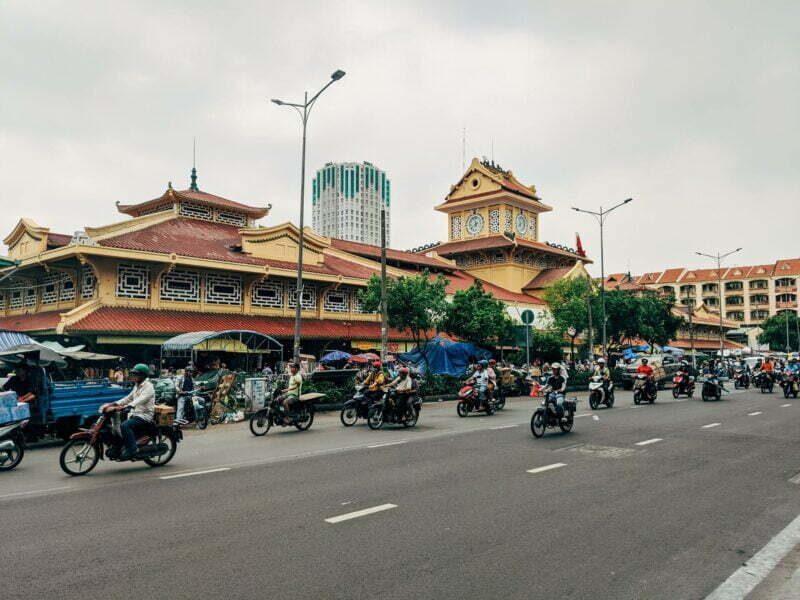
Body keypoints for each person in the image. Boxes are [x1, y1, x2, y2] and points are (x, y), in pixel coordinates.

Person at [101, 363, 154, 460]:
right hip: (135, 413)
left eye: (136, 374)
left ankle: (132, 450)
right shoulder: (137, 386)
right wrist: (114, 404)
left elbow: (141, 399)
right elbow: (128, 398)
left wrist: (129, 406)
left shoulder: (148, 387)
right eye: (134, 374)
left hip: (144, 415)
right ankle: (118, 447)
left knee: (124, 426)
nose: (134, 376)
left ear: (143, 375)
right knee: (115, 427)